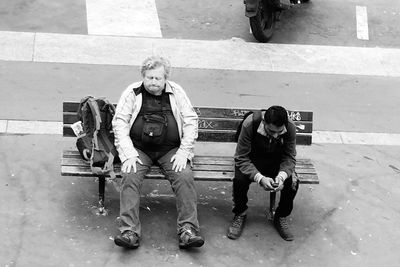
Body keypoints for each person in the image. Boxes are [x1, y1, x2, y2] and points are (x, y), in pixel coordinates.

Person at [112, 56, 204, 249]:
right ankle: (129, 231)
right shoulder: (132, 92)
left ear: (165, 79)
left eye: (157, 78)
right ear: (143, 77)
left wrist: (183, 153)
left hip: (170, 150)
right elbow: (119, 123)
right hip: (139, 150)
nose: (153, 82)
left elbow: (190, 121)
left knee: (184, 175)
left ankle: (188, 230)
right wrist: (128, 154)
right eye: (149, 78)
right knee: (129, 175)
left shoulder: (177, 92)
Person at [227, 106, 299, 241]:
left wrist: (281, 177)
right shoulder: (250, 124)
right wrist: (260, 178)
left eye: (279, 132)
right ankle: (240, 213)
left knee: (293, 183)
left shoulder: (290, 127)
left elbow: (289, 157)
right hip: (252, 159)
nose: (276, 135)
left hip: (276, 161)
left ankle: (281, 215)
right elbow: (241, 157)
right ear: (264, 122)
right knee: (239, 180)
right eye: (271, 131)